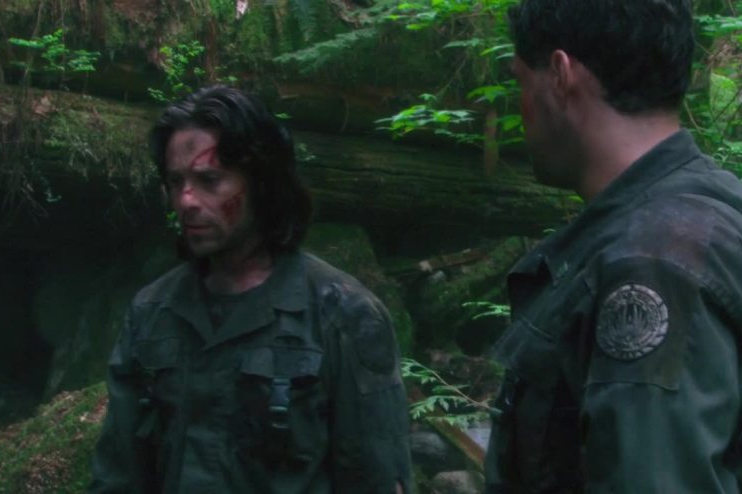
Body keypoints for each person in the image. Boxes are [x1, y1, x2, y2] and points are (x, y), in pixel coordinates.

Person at [89, 85, 411, 493]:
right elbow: (118, 474)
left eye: (209, 180)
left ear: (261, 182)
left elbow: (377, 478)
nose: (186, 200)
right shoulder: (152, 312)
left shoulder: (342, 315)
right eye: (175, 181)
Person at [485, 0, 742, 492]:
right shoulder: (707, 212)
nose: (522, 106)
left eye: (521, 81)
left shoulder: (652, 259)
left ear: (560, 75)